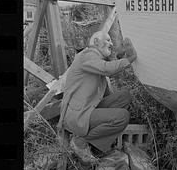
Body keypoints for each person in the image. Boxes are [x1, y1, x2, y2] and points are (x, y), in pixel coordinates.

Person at [57, 30, 137, 163]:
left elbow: (107, 72)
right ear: (96, 42)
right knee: (122, 117)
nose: (110, 43)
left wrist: (118, 54)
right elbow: (107, 69)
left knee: (124, 96)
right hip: (77, 114)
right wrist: (129, 59)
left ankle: (96, 141)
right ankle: (80, 141)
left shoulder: (95, 60)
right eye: (107, 40)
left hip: (87, 108)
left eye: (111, 40)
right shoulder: (87, 55)